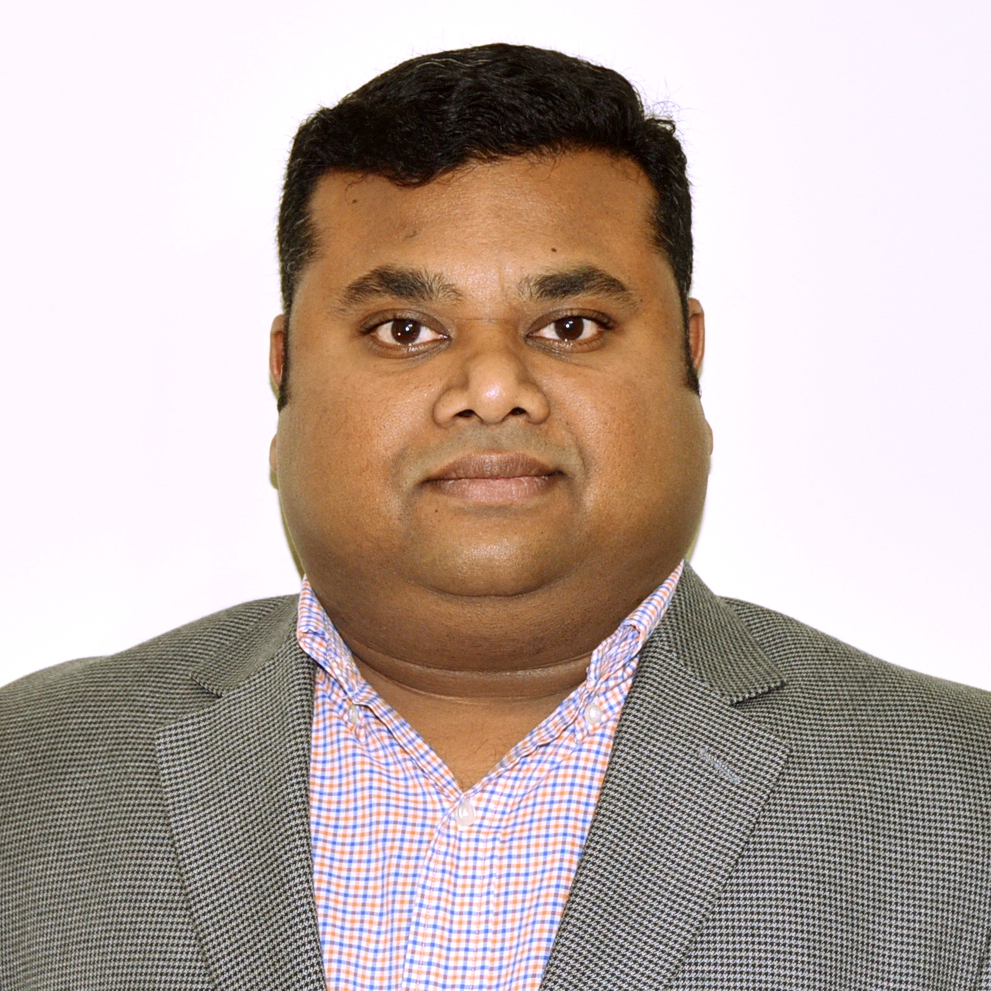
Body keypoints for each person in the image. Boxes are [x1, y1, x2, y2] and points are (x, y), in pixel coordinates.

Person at [1, 42, 989, 991]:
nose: (490, 387)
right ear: (284, 369)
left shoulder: (964, 797)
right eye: (404, 329)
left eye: (570, 326)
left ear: (689, 359)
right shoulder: (27, 769)